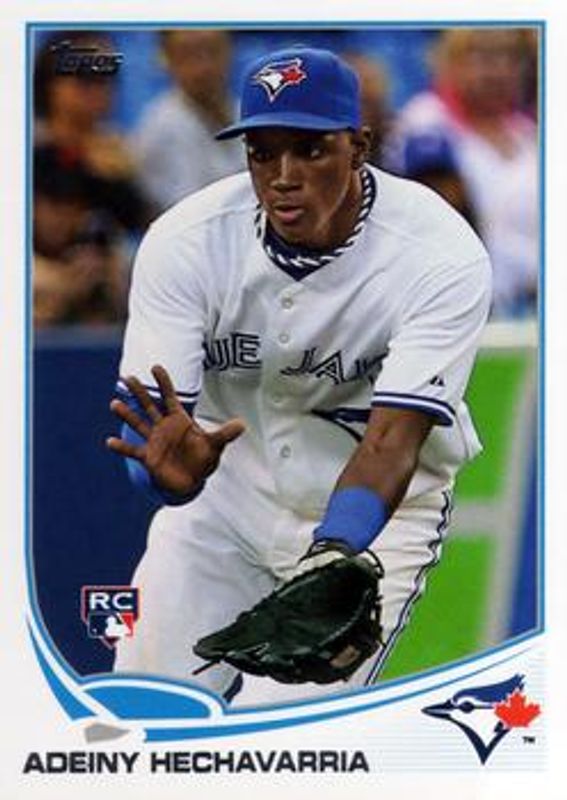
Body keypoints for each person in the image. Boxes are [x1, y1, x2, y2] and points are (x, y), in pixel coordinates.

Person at [107, 47, 491, 706]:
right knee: (142, 708)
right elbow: (157, 435)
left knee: (278, 732)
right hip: (224, 504)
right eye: (262, 153)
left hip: (375, 520)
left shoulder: (438, 252)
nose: (283, 176)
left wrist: (333, 555)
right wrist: (164, 478)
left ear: (359, 145)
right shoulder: (187, 241)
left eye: (310, 150)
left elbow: (391, 441)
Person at [384, 28, 538, 318]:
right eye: (482, 56)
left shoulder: (528, 134)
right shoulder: (425, 120)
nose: (498, 69)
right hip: (459, 301)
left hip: (533, 302)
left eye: (511, 56)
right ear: (449, 61)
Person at [132, 29, 246, 212]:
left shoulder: (244, 112)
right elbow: (189, 212)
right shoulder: (162, 125)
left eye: (212, 51)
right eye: (188, 55)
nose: (204, 67)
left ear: (229, 51)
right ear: (167, 60)